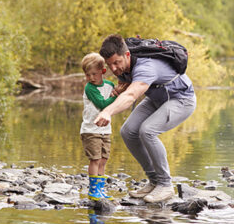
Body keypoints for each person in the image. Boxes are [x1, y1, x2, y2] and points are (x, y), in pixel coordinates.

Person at [95, 34, 196, 203]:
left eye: (116, 62)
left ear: (127, 55)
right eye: (109, 64)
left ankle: (165, 185)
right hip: (158, 99)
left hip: (181, 99)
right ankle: (154, 180)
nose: (113, 68)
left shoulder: (145, 66)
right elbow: (129, 86)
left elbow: (132, 95)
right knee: (128, 131)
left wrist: (107, 112)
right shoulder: (125, 65)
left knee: (147, 130)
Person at [80, 53, 115, 200]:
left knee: (103, 159)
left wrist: (119, 91)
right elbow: (102, 104)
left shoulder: (110, 85)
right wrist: (117, 94)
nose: (91, 78)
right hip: (90, 130)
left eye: (94, 74)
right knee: (95, 159)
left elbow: (115, 104)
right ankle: (93, 189)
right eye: (88, 75)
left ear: (103, 71)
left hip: (105, 130)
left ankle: (101, 189)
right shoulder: (90, 88)